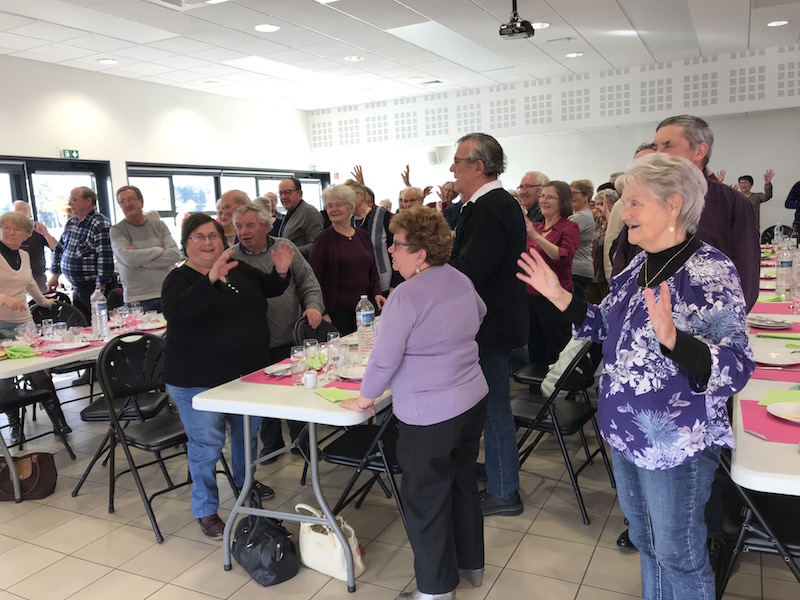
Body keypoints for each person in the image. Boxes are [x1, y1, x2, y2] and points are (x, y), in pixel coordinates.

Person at [517, 153, 754, 600]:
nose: (623, 215)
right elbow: (602, 327)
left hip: (675, 443)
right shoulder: (636, 266)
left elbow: (737, 363)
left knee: (679, 555)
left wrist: (676, 341)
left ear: (673, 205)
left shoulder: (709, 270)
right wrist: (558, 295)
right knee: (647, 544)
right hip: (625, 431)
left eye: (634, 203)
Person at [342, 206, 488, 600]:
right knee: (460, 483)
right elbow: (480, 312)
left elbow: (385, 358)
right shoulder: (458, 278)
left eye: (398, 244)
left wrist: (365, 397)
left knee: (425, 499)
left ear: (421, 253)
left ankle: (436, 590)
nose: (391, 250)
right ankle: (470, 564)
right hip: (471, 398)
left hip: (431, 413)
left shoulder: (405, 295)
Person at [161, 213, 293, 539]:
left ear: (223, 240)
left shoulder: (238, 268)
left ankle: (243, 485)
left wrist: (281, 269)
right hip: (197, 379)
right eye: (199, 237)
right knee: (207, 446)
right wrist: (209, 280)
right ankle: (206, 510)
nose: (207, 243)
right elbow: (179, 312)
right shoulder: (178, 279)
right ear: (186, 243)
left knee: (246, 439)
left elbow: (270, 287)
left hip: (244, 376)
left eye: (213, 236)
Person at [449, 132, 528, 517]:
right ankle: (499, 472)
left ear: (478, 167)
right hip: (492, 321)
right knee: (488, 408)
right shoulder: (487, 204)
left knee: (494, 410)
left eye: (458, 162)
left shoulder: (490, 206)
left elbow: (470, 270)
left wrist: (436, 265)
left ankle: (503, 492)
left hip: (489, 326)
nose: (452, 169)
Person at [612, 115, 760, 312]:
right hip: (642, 321)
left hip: (703, 324)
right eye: (656, 148)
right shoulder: (645, 197)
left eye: (668, 146)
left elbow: (746, 274)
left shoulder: (731, 203)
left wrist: (719, 325)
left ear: (700, 150)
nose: (658, 154)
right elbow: (624, 259)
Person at [232, 202, 323, 459]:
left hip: (288, 336)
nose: (243, 231)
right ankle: (271, 444)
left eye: (250, 225)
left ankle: (303, 443)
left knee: (295, 392)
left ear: (265, 225)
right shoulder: (231, 258)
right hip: (253, 343)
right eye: (239, 226)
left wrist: (314, 306)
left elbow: (308, 281)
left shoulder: (285, 247)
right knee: (262, 395)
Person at [0, 211, 69, 444]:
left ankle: (59, 421)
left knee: (40, 371)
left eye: (17, 229)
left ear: (27, 234)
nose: (11, 232)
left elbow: (29, 283)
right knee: (4, 379)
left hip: (23, 322)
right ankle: (14, 425)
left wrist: (43, 302)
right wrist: (3, 298)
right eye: (6, 227)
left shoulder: (24, 255)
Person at [309, 185, 385, 335]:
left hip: (365, 309)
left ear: (350, 207)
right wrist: (323, 311)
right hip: (337, 314)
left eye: (338, 205)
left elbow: (373, 269)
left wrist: (377, 292)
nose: (333, 209)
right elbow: (314, 279)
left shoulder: (362, 235)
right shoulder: (323, 240)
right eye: (329, 206)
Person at [524, 181, 578, 365]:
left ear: (562, 201)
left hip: (555, 296)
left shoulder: (569, 227)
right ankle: (537, 390)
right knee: (535, 346)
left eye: (549, 197)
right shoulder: (536, 227)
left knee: (557, 346)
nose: (543, 201)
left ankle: (561, 389)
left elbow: (563, 257)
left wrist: (536, 237)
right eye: (542, 196)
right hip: (531, 295)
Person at [110, 185, 180, 312]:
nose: (127, 204)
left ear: (141, 201)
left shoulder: (159, 225)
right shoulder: (117, 230)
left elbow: (175, 255)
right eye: (122, 202)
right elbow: (129, 259)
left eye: (130, 199)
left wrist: (140, 260)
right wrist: (158, 250)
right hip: (136, 300)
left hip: (166, 294)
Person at [48, 187, 113, 319]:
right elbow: (60, 248)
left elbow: (105, 257)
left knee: (100, 324)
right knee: (82, 325)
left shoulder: (100, 224)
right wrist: (55, 274)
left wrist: (100, 288)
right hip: (77, 287)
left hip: (94, 287)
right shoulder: (72, 222)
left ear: (88, 201)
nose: (70, 204)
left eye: (74, 200)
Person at [345, 178, 402, 296]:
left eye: (347, 197)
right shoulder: (349, 220)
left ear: (360, 195)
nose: (344, 202)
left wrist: (395, 284)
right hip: (360, 287)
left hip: (386, 285)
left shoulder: (382, 215)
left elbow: (397, 248)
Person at [14, 201, 55, 293]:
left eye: (23, 214)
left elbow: (56, 248)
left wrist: (46, 234)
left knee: (40, 305)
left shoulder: (37, 230)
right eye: (17, 213)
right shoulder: (6, 232)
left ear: (29, 215)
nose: (20, 217)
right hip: (14, 279)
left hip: (37, 278)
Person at [277, 177, 324, 258]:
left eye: (288, 192)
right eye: (281, 193)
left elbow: (317, 246)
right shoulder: (290, 212)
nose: (283, 197)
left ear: (300, 194)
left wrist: (289, 252)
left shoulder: (310, 213)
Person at [568, 179, 595, 301]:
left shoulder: (581, 217)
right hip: (580, 269)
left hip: (577, 270)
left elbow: (559, 234)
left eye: (575, 193)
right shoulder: (582, 215)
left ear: (586, 196)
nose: (571, 197)